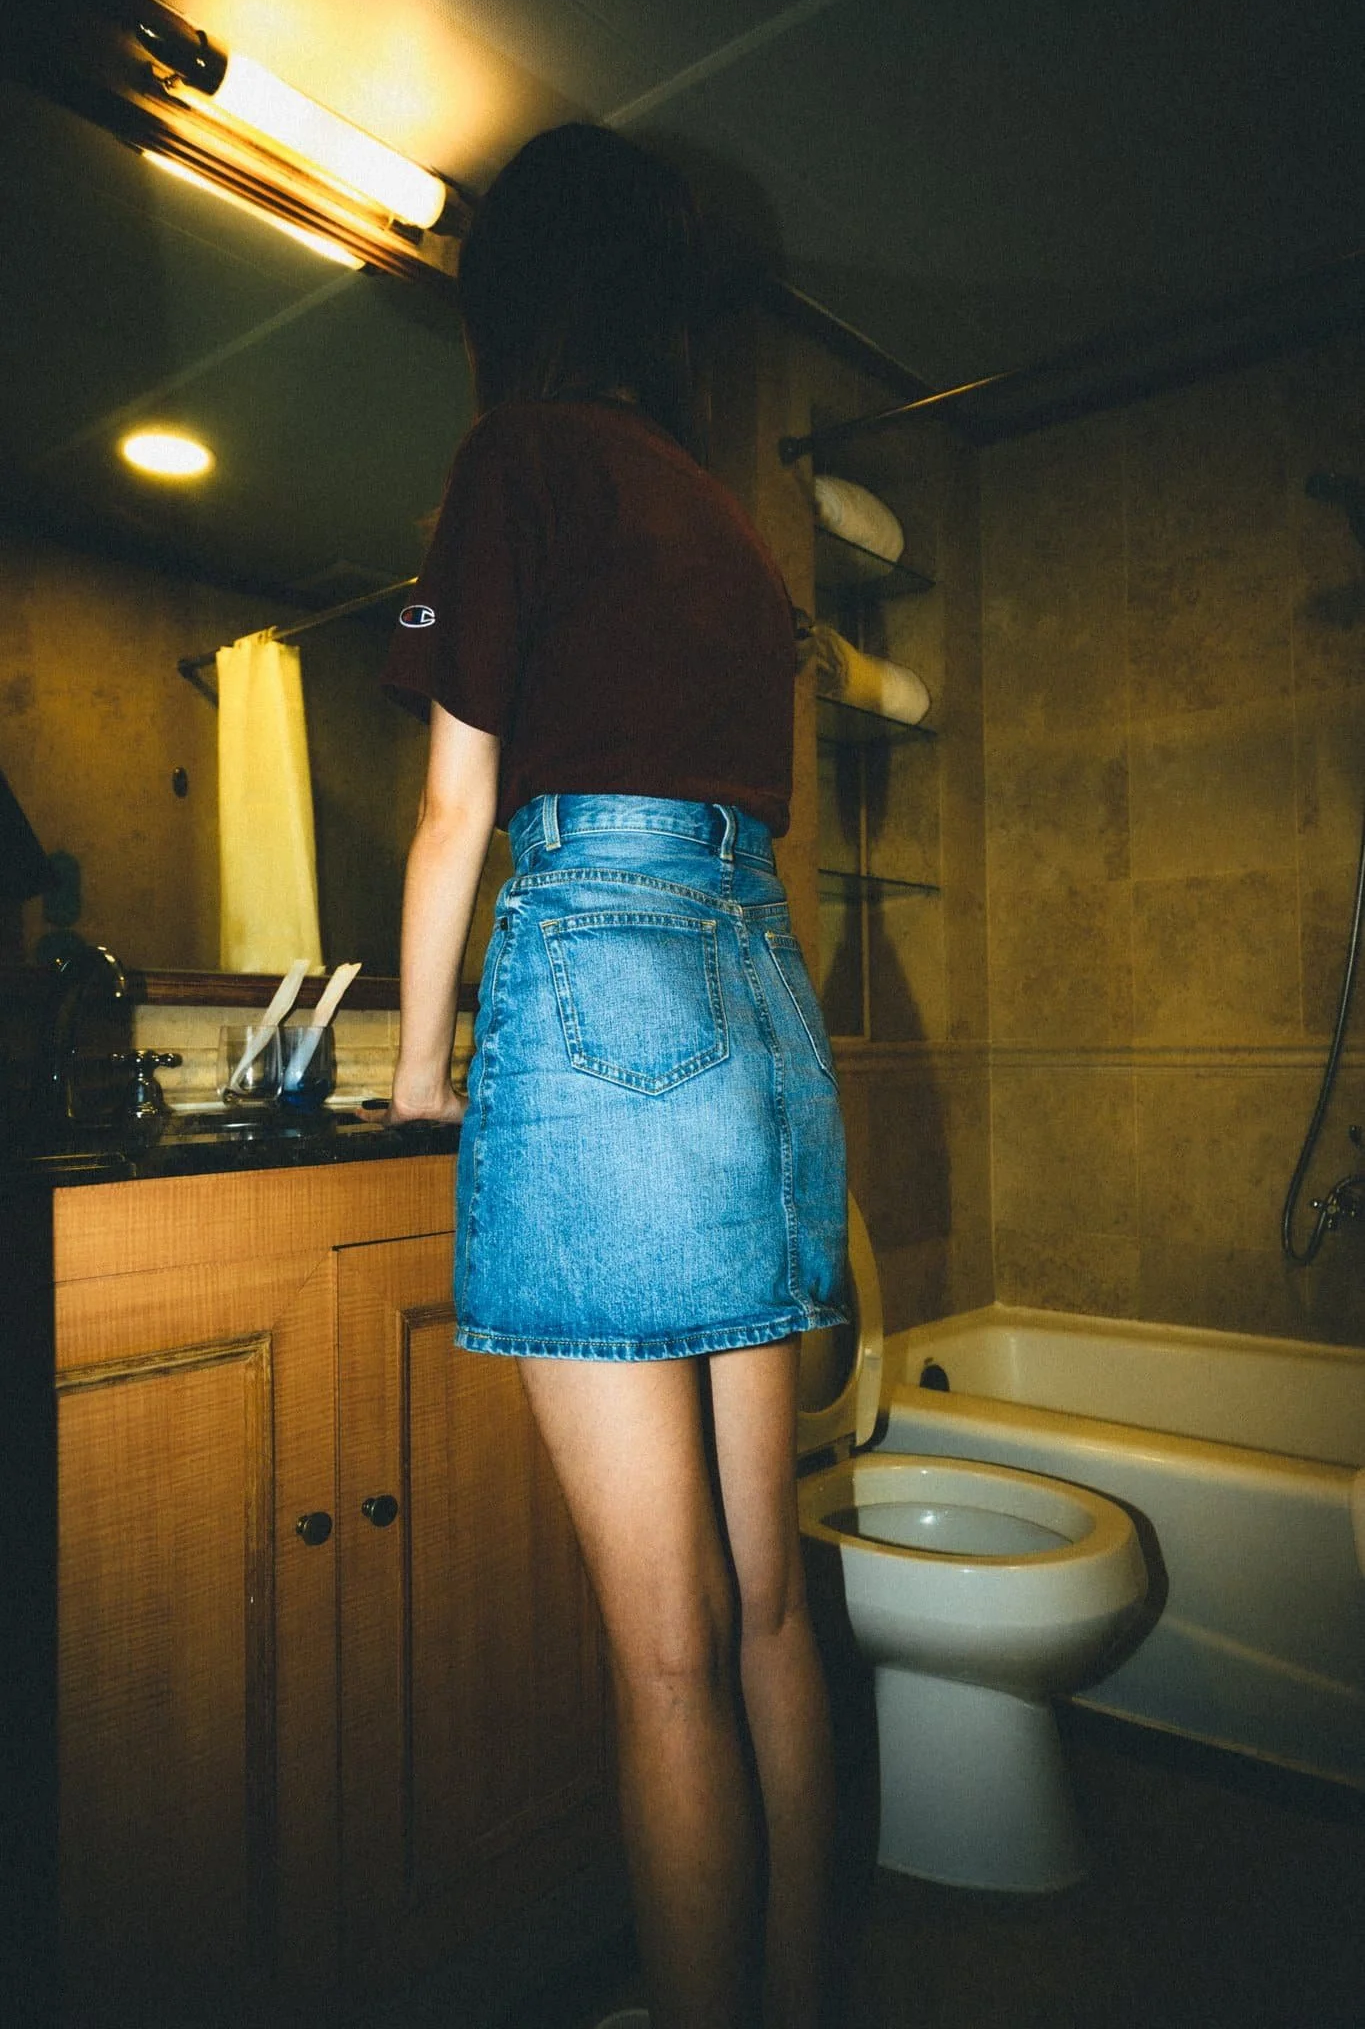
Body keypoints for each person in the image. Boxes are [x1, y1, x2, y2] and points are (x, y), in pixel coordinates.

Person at [381, 123, 847, 2029]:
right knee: (766, 1608)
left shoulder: (511, 461)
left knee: (664, 1658)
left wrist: (419, 1067)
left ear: (522, 292)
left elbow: (455, 809)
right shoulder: (731, 528)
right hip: (761, 1002)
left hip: (609, 985)